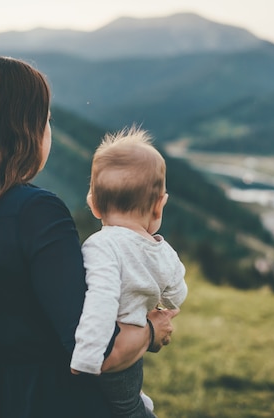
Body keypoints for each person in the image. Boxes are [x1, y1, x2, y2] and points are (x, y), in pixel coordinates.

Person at [0, 56, 179, 418]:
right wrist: (151, 330)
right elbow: (92, 346)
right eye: (46, 120)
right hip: (46, 398)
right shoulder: (36, 212)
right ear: (24, 129)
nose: (49, 130)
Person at [70, 126, 188, 417]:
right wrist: (167, 307)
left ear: (94, 205)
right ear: (159, 207)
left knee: (125, 408)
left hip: (109, 347)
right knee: (128, 399)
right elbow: (176, 295)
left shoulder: (102, 245)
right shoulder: (163, 250)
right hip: (134, 348)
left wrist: (86, 358)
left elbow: (102, 300)